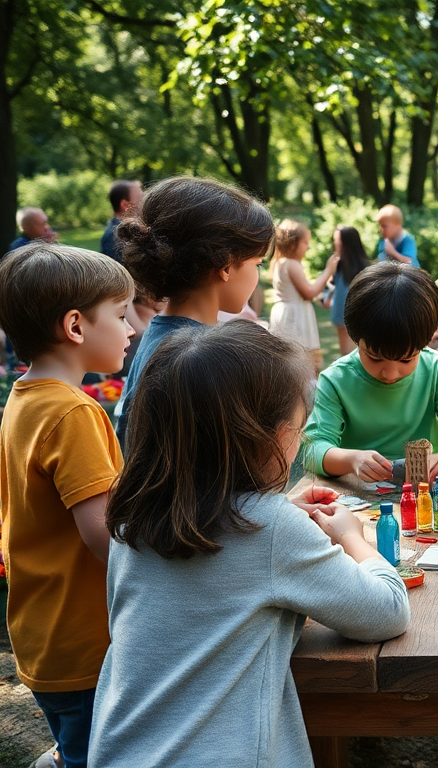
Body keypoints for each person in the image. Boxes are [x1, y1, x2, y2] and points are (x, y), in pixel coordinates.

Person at [89, 321, 409, 768]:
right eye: (300, 430)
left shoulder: (132, 515)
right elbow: (387, 610)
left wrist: (275, 514)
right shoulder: (272, 527)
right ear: (279, 437)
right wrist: (352, 538)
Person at [0, 244, 136, 768]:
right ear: (76, 326)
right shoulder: (74, 412)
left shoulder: (27, 396)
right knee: (100, 756)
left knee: (79, 745)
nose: (132, 329)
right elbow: (103, 535)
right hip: (85, 641)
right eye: (121, 315)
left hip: (44, 632)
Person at [113, 176, 274, 453]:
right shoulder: (199, 354)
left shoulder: (160, 335)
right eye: (257, 264)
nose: (258, 274)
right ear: (224, 266)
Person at [303, 261, 438, 484]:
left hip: (421, 492)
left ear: (428, 339)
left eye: (406, 359)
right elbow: (312, 450)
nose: (390, 373)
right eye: (374, 357)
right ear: (356, 337)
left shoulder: (437, 368)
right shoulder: (336, 379)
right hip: (356, 494)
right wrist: (352, 459)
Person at [268, 219, 335, 374]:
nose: (308, 246)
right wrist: (328, 270)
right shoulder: (293, 265)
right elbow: (309, 293)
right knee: (304, 360)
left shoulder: (280, 262)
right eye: (305, 242)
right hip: (296, 315)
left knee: (288, 357)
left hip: (283, 311)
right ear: (293, 244)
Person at [320, 225, 371, 357]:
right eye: (335, 241)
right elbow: (331, 283)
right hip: (340, 313)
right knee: (346, 352)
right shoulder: (337, 263)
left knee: (359, 350)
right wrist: (325, 297)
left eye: (338, 241)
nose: (336, 244)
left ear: (348, 244)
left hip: (360, 315)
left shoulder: (364, 267)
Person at [100, 180, 142, 262]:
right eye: (141, 199)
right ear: (125, 205)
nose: (145, 203)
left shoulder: (124, 231)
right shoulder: (116, 237)